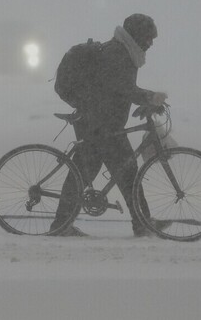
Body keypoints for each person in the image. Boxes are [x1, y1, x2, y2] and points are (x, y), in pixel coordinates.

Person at [51, 13, 168, 237]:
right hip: (100, 125)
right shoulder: (118, 54)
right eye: (148, 38)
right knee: (119, 174)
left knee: (95, 174)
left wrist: (145, 101)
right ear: (137, 36)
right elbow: (121, 87)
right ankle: (142, 223)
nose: (150, 43)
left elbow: (118, 90)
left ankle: (62, 224)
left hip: (102, 122)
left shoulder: (124, 52)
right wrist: (150, 97)